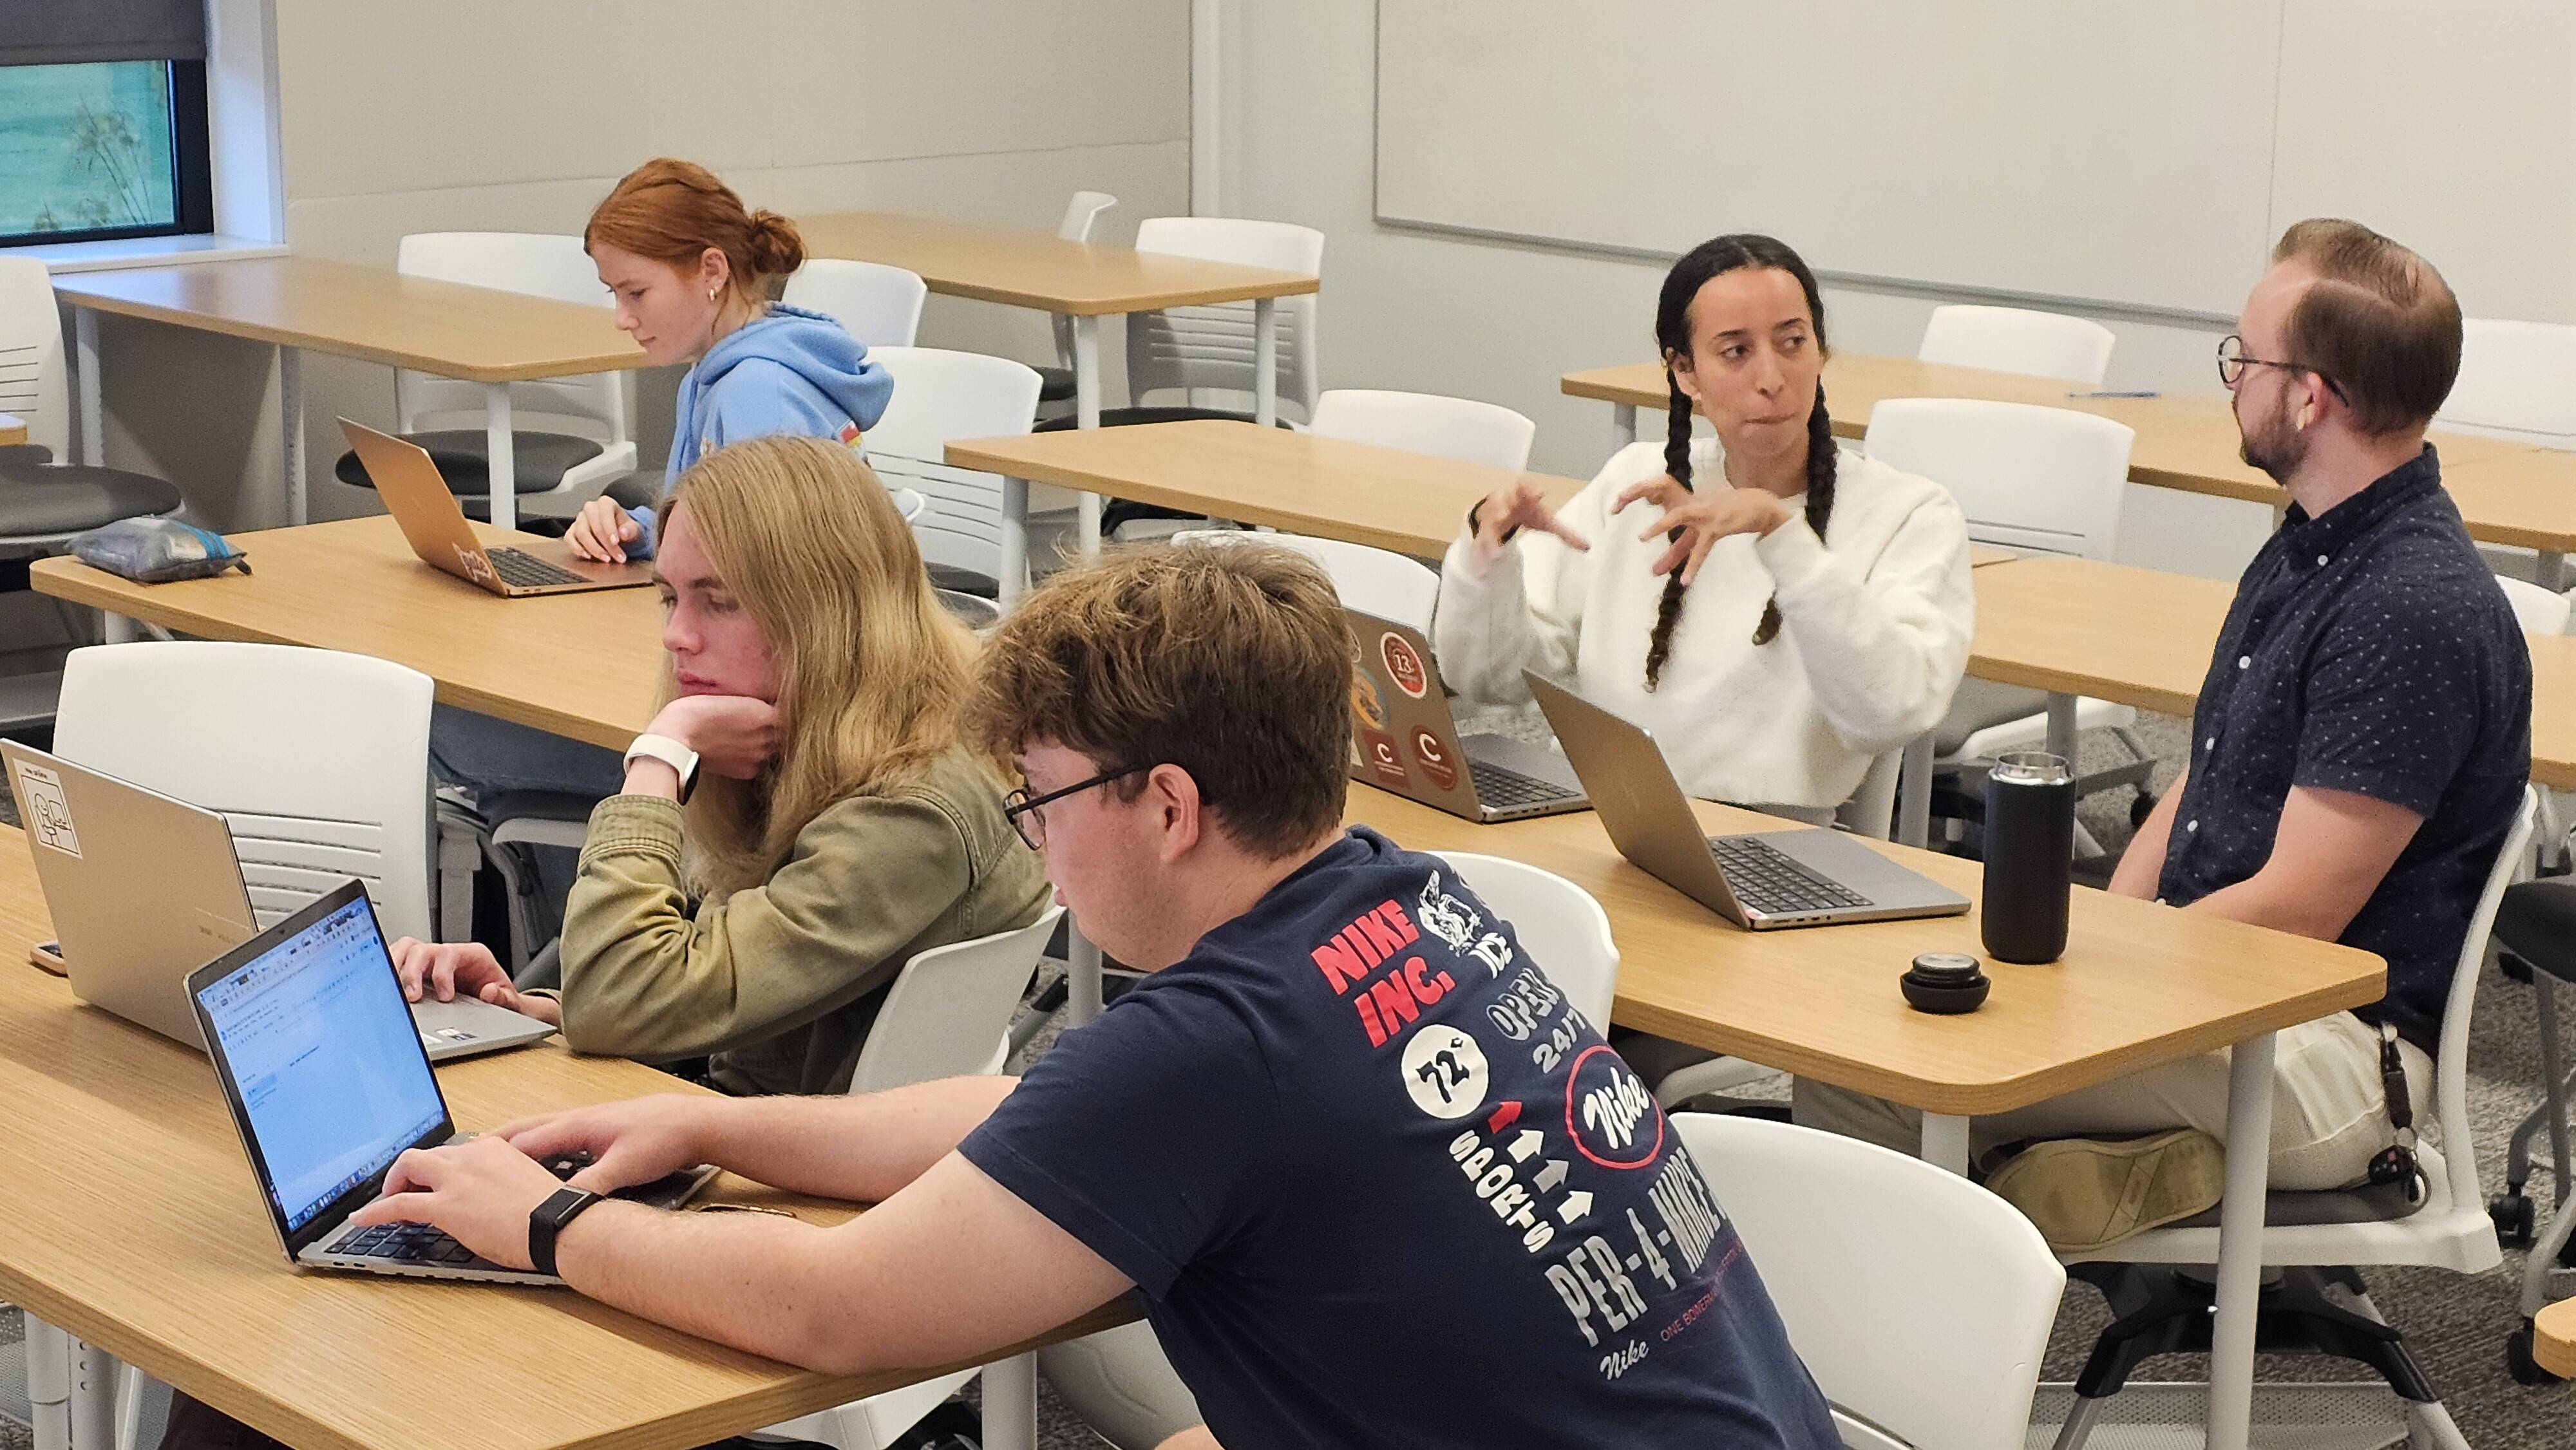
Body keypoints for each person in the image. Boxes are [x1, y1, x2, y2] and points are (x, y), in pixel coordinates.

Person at [328, 542, 1841, 1450]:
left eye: (1042, 791)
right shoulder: (1397, 896)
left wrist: (542, 1223)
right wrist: (706, 1125)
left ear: (1167, 804)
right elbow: (1048, 1112)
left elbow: (836, 1308)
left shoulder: (1221, 1044)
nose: (1030, 827)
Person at [1797, 220, 2533, 1220]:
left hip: (2332, 1055)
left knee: (1881, 1071)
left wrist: (2098, 983)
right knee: (1902, 1028)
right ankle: (2067, 1190)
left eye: (2246, 357)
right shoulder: (2313, 543)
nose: (2232, 379)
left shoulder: (2407, 609)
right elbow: (2209, 769)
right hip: (2226, 991)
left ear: (2311, 395)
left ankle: (1927, 1321)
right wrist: (2097, 934)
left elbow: (2299, 912)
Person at [402, 434, 1050, 1097]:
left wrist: (661, 753)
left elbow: (623, 998)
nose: (676, 634)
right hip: (740, 1105)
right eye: (670, 597)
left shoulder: (912, 809)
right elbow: (689, 989)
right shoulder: (833, 737)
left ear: (823, 612)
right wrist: (530, 1013)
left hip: (771, 1165)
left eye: (720, 600)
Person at [1435, 233, 1973, 819]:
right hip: (1609, 816)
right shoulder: (1637, 480)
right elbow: (1495, 682)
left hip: (1776, 842)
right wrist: (1490, 556)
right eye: (1736, 352)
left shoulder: (1910, 512)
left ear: (1820, 353)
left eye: (1793, 342)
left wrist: (1780, 534)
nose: (1771, 376)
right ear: (1685, 372)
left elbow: (1890, 711)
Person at [564, 156, 893, 564]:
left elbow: (772, 570)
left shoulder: (756, 392)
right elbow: (711, 532)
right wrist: (631, 531)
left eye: (636, 293)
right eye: (612, 293)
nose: (622, 318)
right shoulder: (707, 376)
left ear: (712, 271)